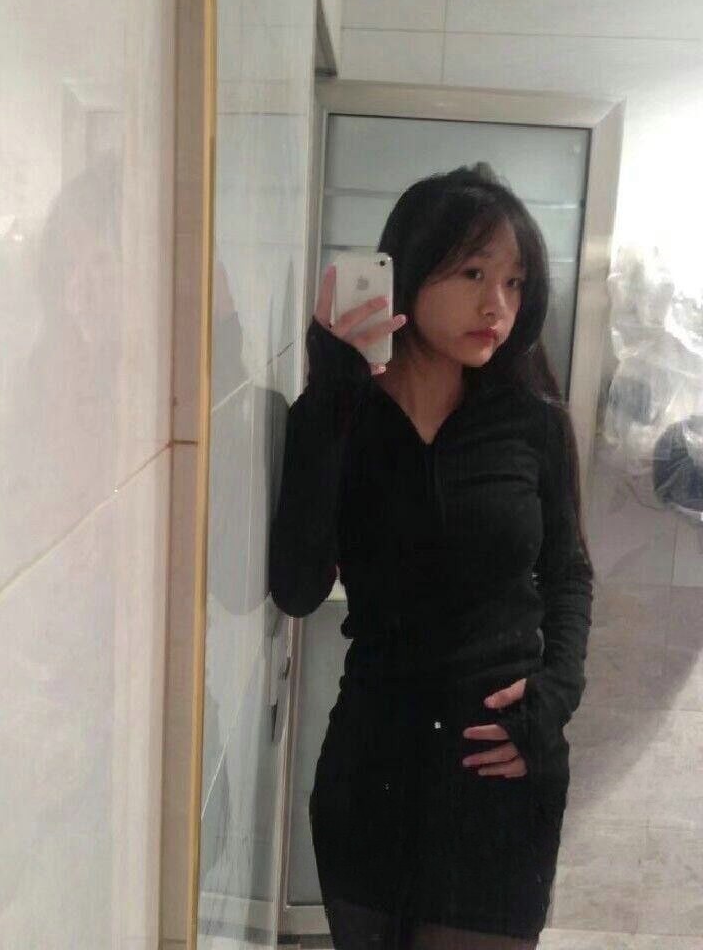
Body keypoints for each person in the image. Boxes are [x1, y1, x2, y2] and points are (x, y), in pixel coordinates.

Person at [268, 163, 594, 950]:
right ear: (410, 269)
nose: (498, 305)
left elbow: (568, 574)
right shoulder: (339, 417)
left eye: (515, 283)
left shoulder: (533, 421)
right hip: (372, 767)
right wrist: (335, 389)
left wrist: (555, 696)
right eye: (474, 273)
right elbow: (298, 588)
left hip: (499, 773)